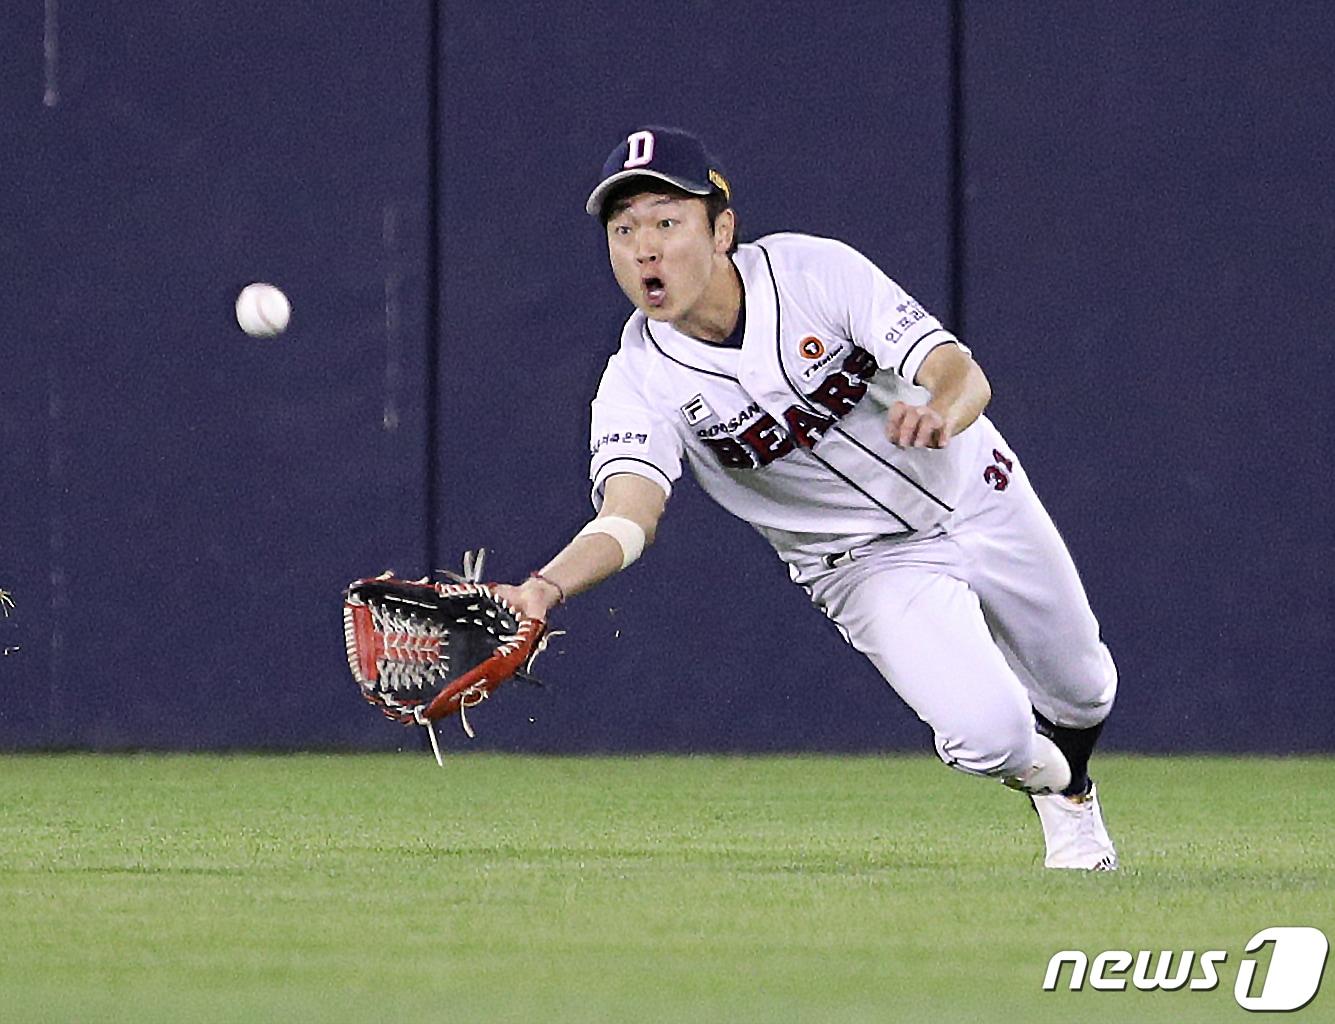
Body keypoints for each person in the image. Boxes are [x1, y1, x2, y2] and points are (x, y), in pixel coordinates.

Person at [496, 126, 1119, 870]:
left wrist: (940, 411)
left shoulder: (814, 273)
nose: (644, 249)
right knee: (991, 736)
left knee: (1084, 689)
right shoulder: (636, 381)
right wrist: (545, 586)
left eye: (667, 221)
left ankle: (1068, 772)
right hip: (860, 565)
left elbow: (958, 370)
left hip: (976, 492)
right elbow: (629, 513)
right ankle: (1062, 790)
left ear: (721, 228)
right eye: (623, 230)